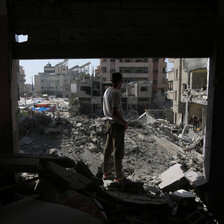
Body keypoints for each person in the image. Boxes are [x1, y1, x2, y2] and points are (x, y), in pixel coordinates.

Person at [102, 72, 128, 183]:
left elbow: (110, 112)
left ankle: (106, 172)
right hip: (117, 125)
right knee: (118, 151)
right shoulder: (116, 93)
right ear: (120, 81)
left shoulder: (107, 91)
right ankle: (119, 176)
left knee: (108, 149)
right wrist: (124, 123)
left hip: (109, 123)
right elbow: (115, 112)